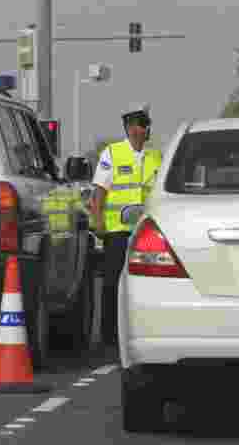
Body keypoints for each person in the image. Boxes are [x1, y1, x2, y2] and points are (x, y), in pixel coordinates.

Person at [90, 103, 162, 347]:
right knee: (112, 282)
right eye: (140, 125)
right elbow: (99, 191)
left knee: (149, 282)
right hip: (118, 230)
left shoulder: (156, 156)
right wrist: (98, 220)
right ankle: (109, 337)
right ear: (130, 128)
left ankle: (146, 331)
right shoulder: (112, 153)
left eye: (145, 125)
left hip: (146, 231)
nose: (143, 130)